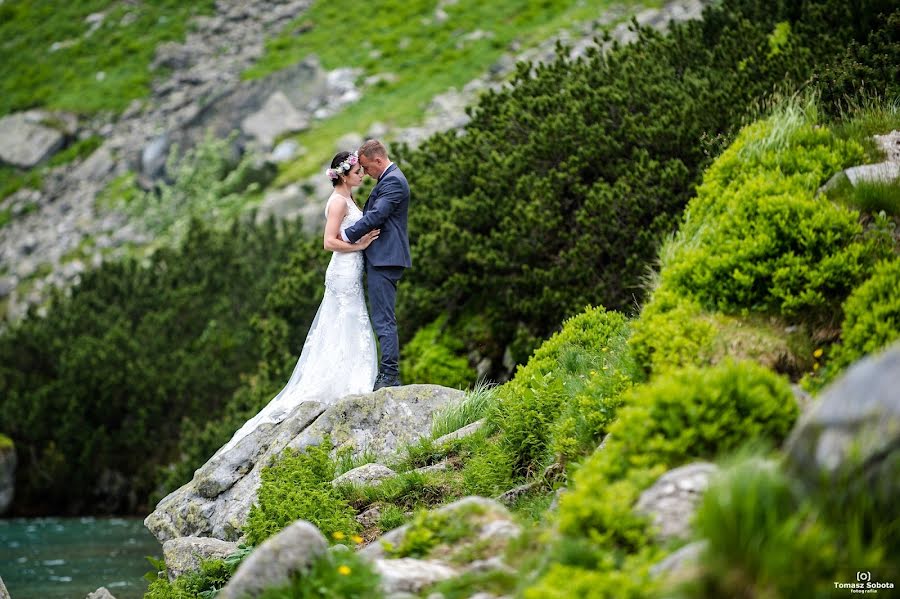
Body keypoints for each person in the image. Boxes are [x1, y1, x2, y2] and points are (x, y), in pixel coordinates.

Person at [219, 150, 380, 453]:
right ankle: (344, 381)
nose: (361, 174)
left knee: (349, 321)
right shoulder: (336, 202)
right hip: (343, 271)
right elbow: (328, 241)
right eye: (357, 171)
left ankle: (350, 376)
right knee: (347, 320)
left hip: (352, 269)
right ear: (344, 174)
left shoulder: (348, 199)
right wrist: (359, 244)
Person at [341, 139, 412, 391]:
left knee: (383, 319)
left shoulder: (393, 181)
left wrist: (348, 234)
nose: (366, 173)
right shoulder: (388, 178)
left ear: (378, 161)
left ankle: (390, 375)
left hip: (385, 258)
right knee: (382, 317)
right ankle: (387, 373)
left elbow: (378, 215)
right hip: (382, 257)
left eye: (367, 167)